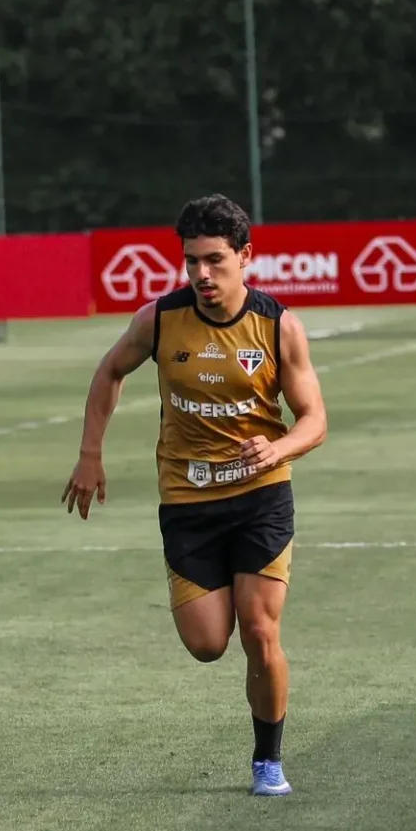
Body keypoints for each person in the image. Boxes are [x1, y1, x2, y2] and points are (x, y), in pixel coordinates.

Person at [61, 194, 328, 796]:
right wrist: (90, 454)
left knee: (260, 631)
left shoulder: (278, 325)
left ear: (245, 256)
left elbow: (314, 418)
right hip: (188, 502)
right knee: (208, 644)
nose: (202, 275)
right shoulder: (158, 319)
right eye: (191, 262)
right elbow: (109, 371)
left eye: (214, 260)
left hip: (261, 497)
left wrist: (279, 449)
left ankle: (268, 761)